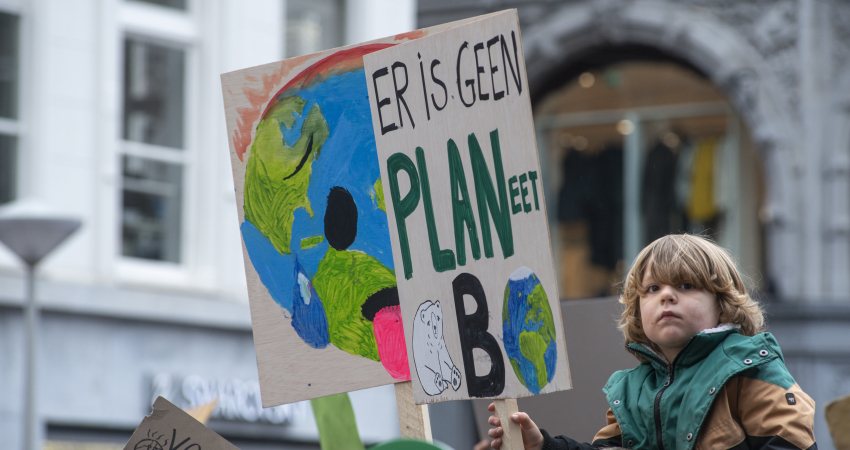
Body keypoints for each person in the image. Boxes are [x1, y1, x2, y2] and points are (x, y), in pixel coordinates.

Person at [485, 234, 817, 449]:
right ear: (637, 309)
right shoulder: (629, 390)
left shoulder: (749, 366)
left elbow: (791, 442)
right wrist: (543, 445)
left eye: (686, 286)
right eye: (653, 289)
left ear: (723, 304)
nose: (667, 297)